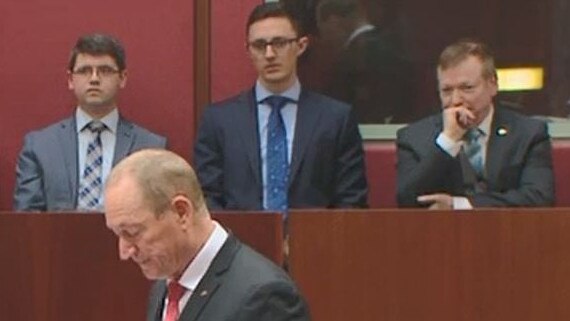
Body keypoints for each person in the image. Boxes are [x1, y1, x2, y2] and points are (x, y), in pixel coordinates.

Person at [194, 2, 368, 211]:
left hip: (315, 240)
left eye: (279, 43)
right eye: (259, 45)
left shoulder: (336, 119)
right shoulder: (219, 121)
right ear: (248, 51)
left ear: (301, 46)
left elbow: (351, 201)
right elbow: (207, 199)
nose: (269, 54)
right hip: (240, 240)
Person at [104, 149, 311, 320]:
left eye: (132, 232)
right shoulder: (164, 287)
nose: (125, 251)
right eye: (117, 234)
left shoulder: (265, 297)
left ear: (181, 212)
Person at [13, 33, 166, 211]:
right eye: (85, 71)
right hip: (57, 238)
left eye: (105, 71)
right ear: (70, 80)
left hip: (126, 237)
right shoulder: (39, 146)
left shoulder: (151, 147)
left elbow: (157, 215)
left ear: (122, 78)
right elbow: (27, 218)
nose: (94, 79)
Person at [396, 39, 554, 209]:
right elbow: (407, 200)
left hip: (509, 232)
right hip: (442, 233)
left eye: (467, 88)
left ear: (492, 85)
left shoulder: (528, 134)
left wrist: (460, 205)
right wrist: (448, 141)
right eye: (447, 90)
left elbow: (539, 197)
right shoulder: (413, 137)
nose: (455, 100)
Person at [316, 0, 414, 124]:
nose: (324, 39)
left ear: (333, 21)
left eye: (322, 29)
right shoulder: (397, 46)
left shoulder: (353, 57)